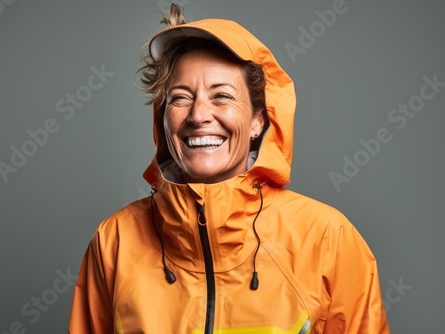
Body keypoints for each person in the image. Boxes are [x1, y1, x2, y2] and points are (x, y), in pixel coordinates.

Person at [69, 4, 389, 333]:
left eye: (221, 96)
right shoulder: (114, 241)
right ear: (162, 117)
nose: (197, 115)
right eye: (180, 97)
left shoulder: (326, 238)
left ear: (258, 120)